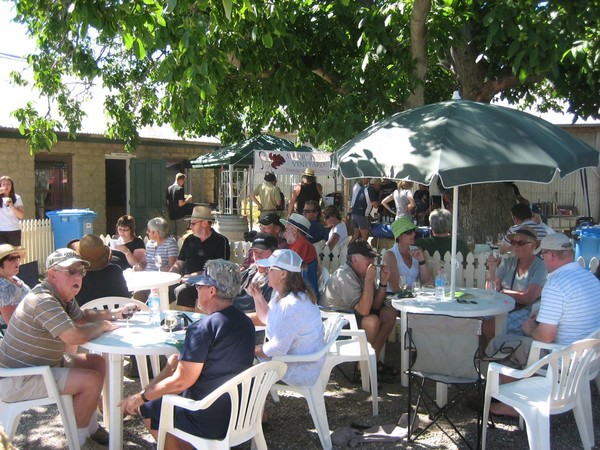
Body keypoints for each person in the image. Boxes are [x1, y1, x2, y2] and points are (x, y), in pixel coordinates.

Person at [0, 248, 141, 449]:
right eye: (71, 271)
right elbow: (76, 335)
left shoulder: (60, 295)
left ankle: (90, 428)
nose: (78, 276)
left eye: (80, 272)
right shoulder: (44, 300)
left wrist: (115, 314)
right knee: (90, 380)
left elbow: (82, 318)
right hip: (18, 379)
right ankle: (80, 441)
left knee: (96, 362)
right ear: (52, 275)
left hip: (41, 366)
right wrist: (104, 326)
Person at [119, 259, 255, 448]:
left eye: (199, 286)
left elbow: (181, 382)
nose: (196, 290)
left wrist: (141, 397)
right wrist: (170, 368)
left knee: (149, 407)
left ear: (212, 290)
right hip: (242, 411)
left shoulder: (202, 328)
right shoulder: (245, 322)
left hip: (208, 416)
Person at [486, 233, 600, 417]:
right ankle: (519, 394)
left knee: (499, 344)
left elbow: (546, 336)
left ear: (552, 255)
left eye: (543, 254)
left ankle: (513, 404)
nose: (542, 259)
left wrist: (531, 330)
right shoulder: (591, 280)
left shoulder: (556, 282)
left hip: (561, 359)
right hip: (588, 359)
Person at [250, 249, 325, 386]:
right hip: (295, 361)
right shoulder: (287, 295)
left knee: (239, 361)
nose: (266, 271)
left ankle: (250, 405)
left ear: (283, 274)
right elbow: (267, 318)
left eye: (271, 268)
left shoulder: (291, 304)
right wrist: (258, 296)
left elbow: (277, 348)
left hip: (298, 370)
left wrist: (250, 349)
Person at [321, 239, 396, 362]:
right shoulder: (344, 276)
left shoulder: (361, 273)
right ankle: (363, 368)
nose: (372, 262)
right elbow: (364, 310)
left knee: (389, 314)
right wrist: (368, 281)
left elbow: (376, 306)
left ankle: (372, 361)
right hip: (335, 326)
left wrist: (383, 282)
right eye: (369, 258)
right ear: (354, 260)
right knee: (372, 321)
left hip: (349, 318)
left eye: (373, 258)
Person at [483, 226, 547, 340]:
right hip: (503, 306)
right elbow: (491, 291)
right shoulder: (508, 262)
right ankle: (484, 354)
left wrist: (504, 292)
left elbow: (528, 298)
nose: (515, 246)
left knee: (489, 327)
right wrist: (492, 268)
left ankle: (491, 355)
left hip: (526, 311)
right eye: (513, 242)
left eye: (520, 243)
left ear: (532, 246)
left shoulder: (540, 266)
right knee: (476, 320)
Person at [170, 206, 230, 311]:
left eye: (193, 223)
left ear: (204, 223)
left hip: (208, 282)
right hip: (186, 280)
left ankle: (188, 322)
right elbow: (179, 263)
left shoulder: (220, 241)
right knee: (160, 290)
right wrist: (170, 275)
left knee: (182, 291)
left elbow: (220, 270)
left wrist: (194, 276)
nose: (190, 227)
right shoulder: (189, 240)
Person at [73, 234, 130, 306]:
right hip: (118, 315)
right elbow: (125, 297)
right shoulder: (116, 271)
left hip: (88, 316)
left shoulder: (78, 277)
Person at [232, 233, 277, 322]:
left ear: (274, 254)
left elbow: (269, 316)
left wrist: (233, 320)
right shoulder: (247, 273)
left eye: (262, 252)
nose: (258, 255)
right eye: (255, 252)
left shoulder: (277, 280)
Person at [383, 217, 431, 292]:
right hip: (395, 298)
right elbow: (395, 288)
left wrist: (421, 260)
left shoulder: (417, 250)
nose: (414, 234)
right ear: (399, 236)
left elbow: (427, 282)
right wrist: (417, 291)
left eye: (414, 231)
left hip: (414, 297)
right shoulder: (390, 255)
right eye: (409, 232)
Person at [280, 213, 320, 300]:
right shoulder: (299, 244)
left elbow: (288, 268)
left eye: (286, 229)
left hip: (304, 296)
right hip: (300, 292)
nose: (284, 233)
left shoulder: (302, 244)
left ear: (295, 230)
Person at [0, 244, 29, 329]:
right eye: (12, 259)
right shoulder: (4, 287)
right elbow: (12, 324)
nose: (17, 262)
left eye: (18, 258)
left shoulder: (12, 277)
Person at [350, 177, 379, 242]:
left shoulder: (363, 188)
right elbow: (375, 205)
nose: (379, 187)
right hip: (362, 216)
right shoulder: (371, 190)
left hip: (354, 214)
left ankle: (347, 250)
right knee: (364, 240)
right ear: (376, 184)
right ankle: (363, 251)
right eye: (379, 185)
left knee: (356, 236)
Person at [166, 173, 194, 238]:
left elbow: (168, 201)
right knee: (181, 235)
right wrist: (188, 199)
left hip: (171, 215)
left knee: (172, 235)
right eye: (183, 181)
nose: (183, 183)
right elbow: (180, 203)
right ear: (181, 180)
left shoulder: (169, 188)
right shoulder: (180, 189)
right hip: (180, 215)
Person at [0, 176, 25, 246]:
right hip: (1, 231)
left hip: (13, 231)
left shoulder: (17, 198)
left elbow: (21, 215)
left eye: (8, 184)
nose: (6, 186)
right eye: (3, 184)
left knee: (14, 254)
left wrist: (12, 206)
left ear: (12, 186)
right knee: (2, 255)